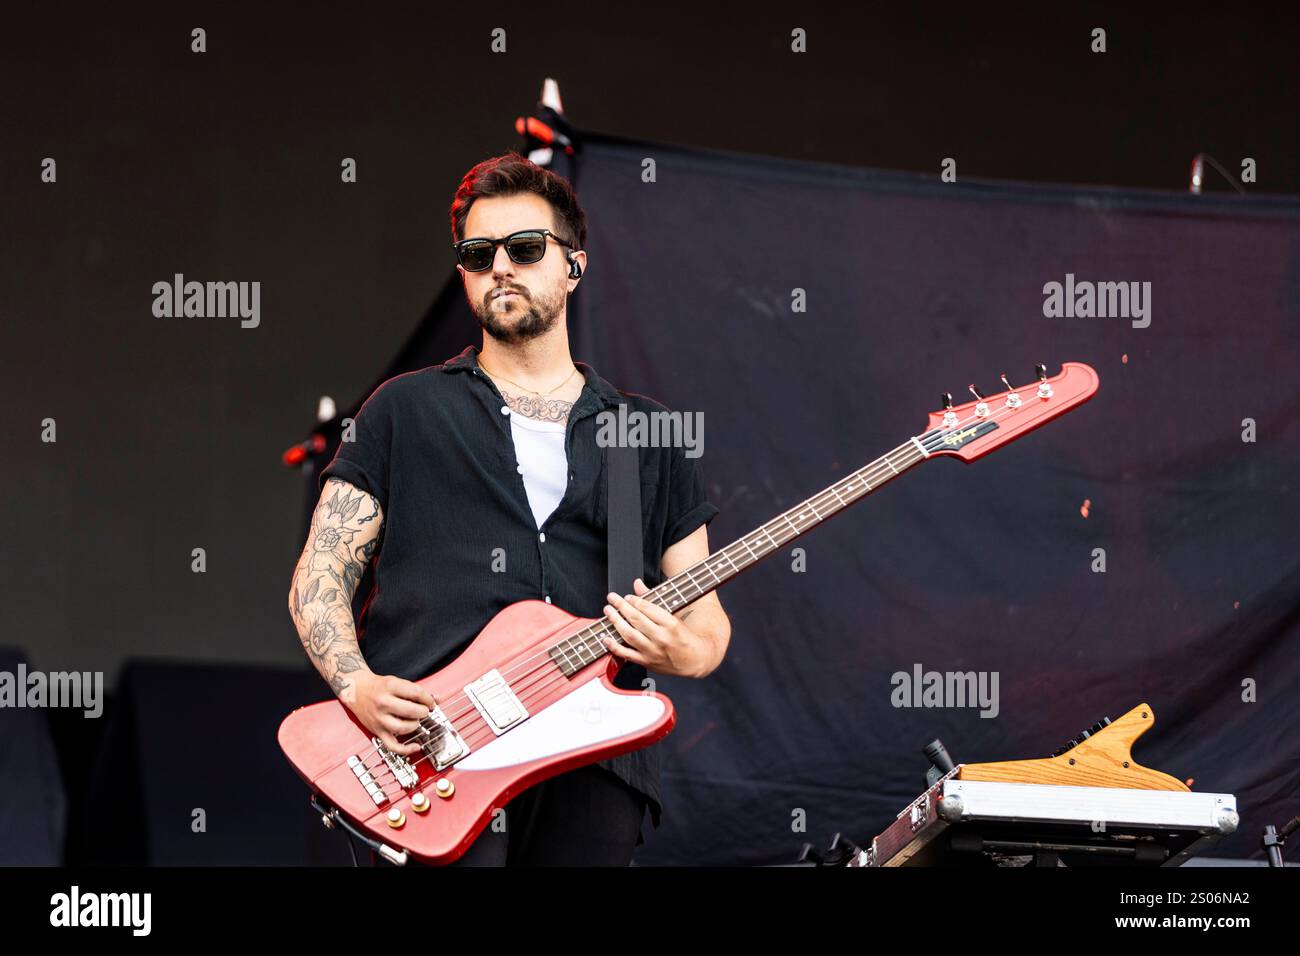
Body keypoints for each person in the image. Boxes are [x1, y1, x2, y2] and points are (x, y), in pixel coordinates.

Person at [287, 152, 731, 865]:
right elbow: (319, 579)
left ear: (573, 267)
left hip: (592, 762)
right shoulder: (405, 410)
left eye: (525, 249)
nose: (500, 267)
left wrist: (683, 649)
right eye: (476, 253)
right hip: (435, 755)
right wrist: (358, 686)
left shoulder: (646, 436)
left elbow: (706, 623)